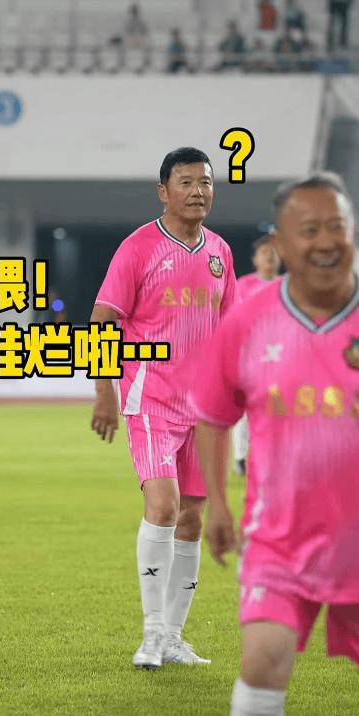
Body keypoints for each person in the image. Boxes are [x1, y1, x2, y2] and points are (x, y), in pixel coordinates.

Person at [193, 172, 358, 715]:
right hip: (278, 541)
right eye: (309, 230)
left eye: (337, 226)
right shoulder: (246, 322)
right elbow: (213, 416)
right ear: (281, 245)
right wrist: (218, 505)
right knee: (263, 660)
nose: (326, 241)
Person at [90, 147, 237, 669]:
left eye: (206, 182)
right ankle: (151, 634)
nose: (198, 191)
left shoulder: (220, 251)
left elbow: (232, 326)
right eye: (186, 182)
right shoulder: (139, 248)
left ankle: (174, 637)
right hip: (151, 398)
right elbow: (103, 319)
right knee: (163, 507)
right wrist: (105, 392)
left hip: (206, 410)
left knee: (192, 518)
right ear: (163, 191)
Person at [232, 234, 281, 475]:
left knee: (277, 407)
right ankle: (241, 456)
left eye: (273, 252)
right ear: (255, 259)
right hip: (251, 356)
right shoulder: (244, 286)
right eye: (264, 252)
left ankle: (272, 456)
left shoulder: (288, 286)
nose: (269, 256)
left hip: (281, 356)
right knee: (245, 409)